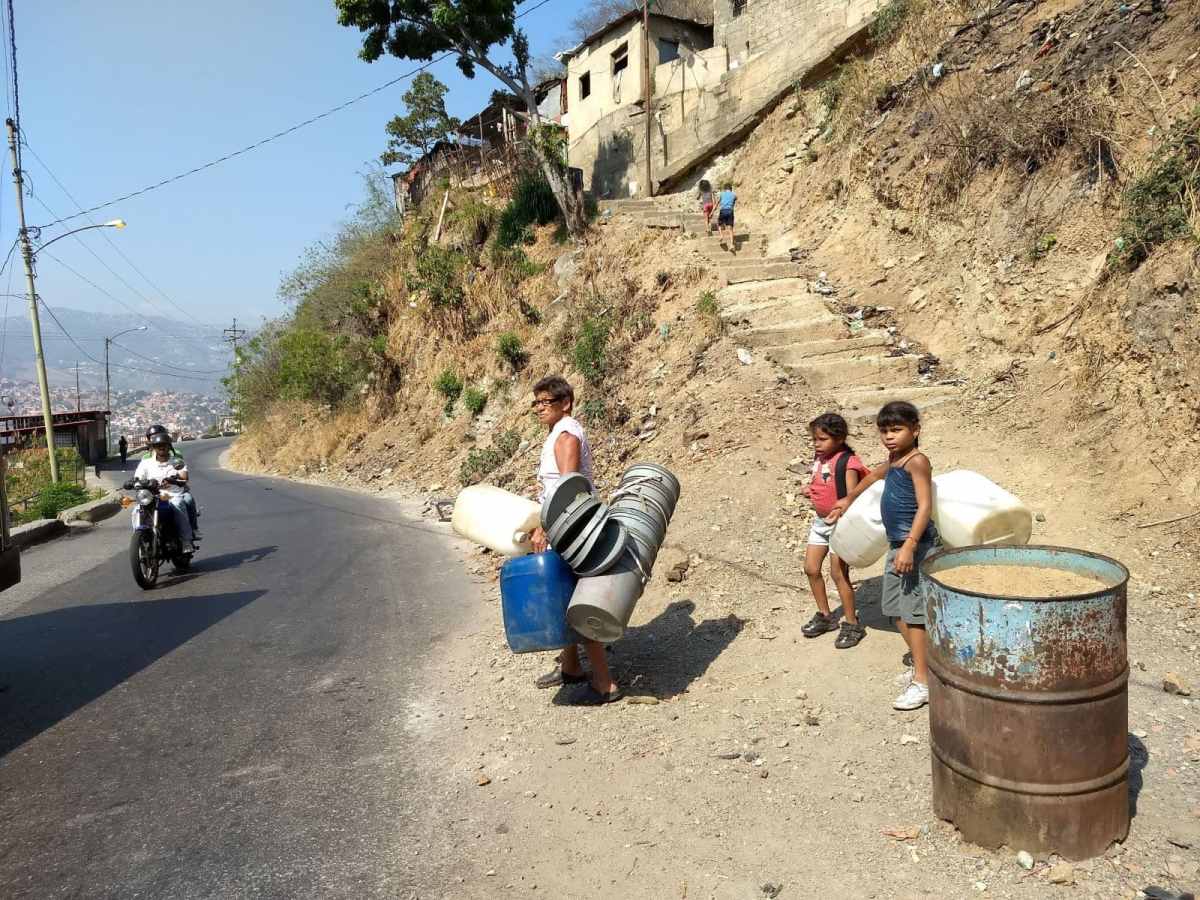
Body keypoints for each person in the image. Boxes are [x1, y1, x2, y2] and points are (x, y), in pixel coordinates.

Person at [828, 401, 938, 710]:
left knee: (912, 613)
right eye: (884, 431)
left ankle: (923, 681)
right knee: (896, 610)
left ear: (915, 430)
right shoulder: (896, 458)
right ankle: (924, 667)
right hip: (897, 547)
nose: (889, 436)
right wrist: (848, 498)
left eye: (896, 430)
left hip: (913, 547)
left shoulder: (917, 461)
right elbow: (875, 475)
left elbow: (925, 506)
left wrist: (910, 544)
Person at [528, 375, 622, 705]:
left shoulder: (566, 434)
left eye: (545, 402)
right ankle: (570, 667)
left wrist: (546, 527)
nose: (539, 408)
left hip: (572, 528)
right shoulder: (559, 432)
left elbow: (568, 490)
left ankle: (604, 684)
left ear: (565, 402)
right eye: (535, 403)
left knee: (576, 602)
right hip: (569, 526)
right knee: (566, 595)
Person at [800, 413, 869, 649]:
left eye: (822, 439)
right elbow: (821, 483)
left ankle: (852, 623)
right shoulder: (820, 459)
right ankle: (826, 616)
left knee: (839, 574)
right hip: (820, 523)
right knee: (811, 568)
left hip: (840, 526)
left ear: (839, 438)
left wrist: (841, 511)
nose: (817, 444)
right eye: (814, 440)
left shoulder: (847, 462)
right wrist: (810, 489)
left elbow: (852, 496)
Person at [133, 432, 195, 550]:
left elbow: (184, 476)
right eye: (157, 445)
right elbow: (137, 477)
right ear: (153, 447)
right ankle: (140, 539)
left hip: (172, 494)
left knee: (178, 505)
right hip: (152, 495)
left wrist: (175, 480)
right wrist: (132, 482)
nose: (161, 447)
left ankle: (186, 540)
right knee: (137, 509)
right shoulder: (146, 463)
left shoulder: (176, 461)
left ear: (169, 446)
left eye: (164, 445)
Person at [141, 424, 200, 538]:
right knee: (140, 508)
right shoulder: (146, 458)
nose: (160, 446)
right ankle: (143, 536)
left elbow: (181, 471)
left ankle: (192, 530)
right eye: (152, 437)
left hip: (175, 489)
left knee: (188, 500)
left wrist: (177, 480)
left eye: (159, 437)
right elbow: (141, 474)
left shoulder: (175, 454)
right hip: (154, 491)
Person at [716, 181, 737, 250]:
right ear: (731, 188)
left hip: (723, 210)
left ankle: (721, 236)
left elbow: (717, 203)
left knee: (719, 224)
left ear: (725, 189)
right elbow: (734, 202)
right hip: (730, 211)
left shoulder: (722, 194)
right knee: (730, 228)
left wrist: (712, 211)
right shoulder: (734, 194)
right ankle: (731, 245)